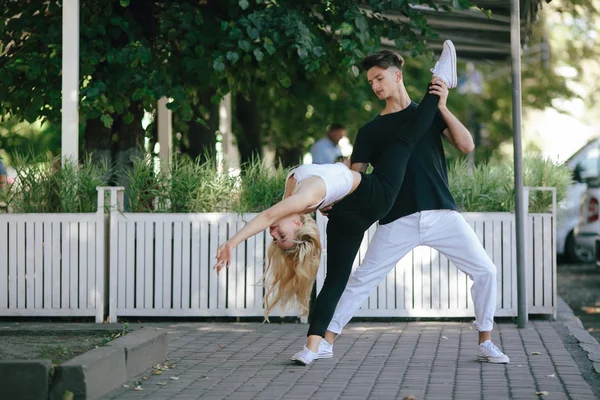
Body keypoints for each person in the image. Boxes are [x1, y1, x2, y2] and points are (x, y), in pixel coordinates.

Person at [315, 47, 510, 365]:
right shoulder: (370, 130)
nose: (376, 86)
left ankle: (485, 342)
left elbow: (466, 145)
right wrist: (330, 197)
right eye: (371, 82)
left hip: (441, 211)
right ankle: (325, 341)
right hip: (396, 219)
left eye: (379, 78)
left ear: (397, 75)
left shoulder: (428, 114)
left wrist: (442, 107)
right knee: (362, 279)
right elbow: (355, 177)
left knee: (486, 270)